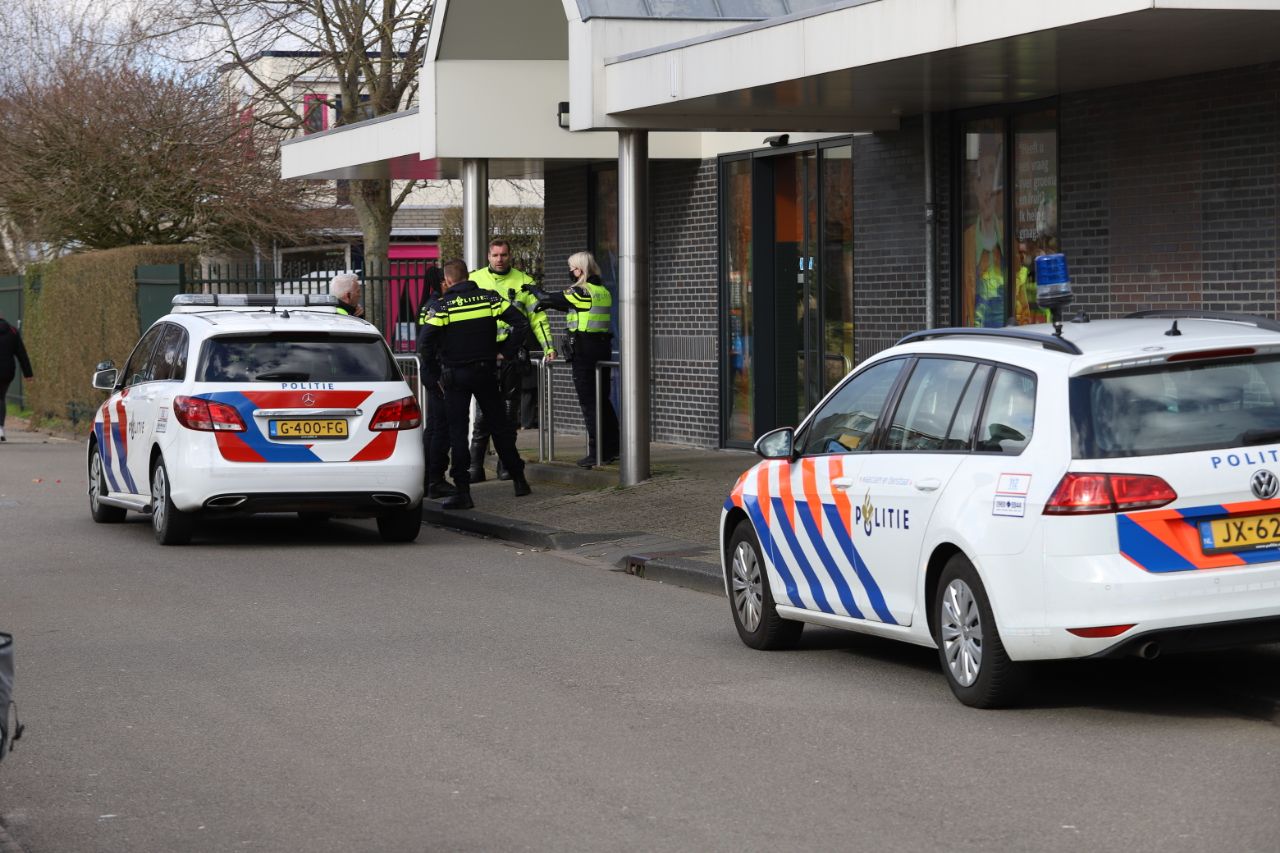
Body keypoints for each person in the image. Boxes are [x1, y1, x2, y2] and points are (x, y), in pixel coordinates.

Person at [419, 258, 532, 510]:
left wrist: (434, 371)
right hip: (487, 373)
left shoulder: (442, 306)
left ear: (447, 280)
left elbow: (425, 343)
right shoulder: (489, 299)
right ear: (468, 276)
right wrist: (505, 350)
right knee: (500, 427)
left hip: (456, 377)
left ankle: (463, 492)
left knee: (458, 433)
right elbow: (520, 322)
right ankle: (519, 479)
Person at [467, 239, 555, 481]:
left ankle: (506, 465)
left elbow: (538, 319)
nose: (499, 259)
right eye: (495, 255)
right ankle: (475, 466)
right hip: (483, 352)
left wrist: (549, 347)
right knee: (484, 411)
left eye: (504, 255)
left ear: (510, 255)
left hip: (512, 351)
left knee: (509, 411)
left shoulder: (524, 281)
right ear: (488, 256)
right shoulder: (475, 279)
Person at [532, 251, 620, 468]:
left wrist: (535, 291)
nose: (571, 271)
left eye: (572, 268)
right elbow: (571, 305)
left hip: (584, 351)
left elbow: (551, 297)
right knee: (603, 400)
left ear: (580, 269)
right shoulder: (602, 291)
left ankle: (596, 452)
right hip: (602, 348)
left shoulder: (580, 290)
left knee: (589, 402)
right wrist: (551, 303)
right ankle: (612, 448)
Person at [0, 312, 34, 443]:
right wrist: (28, 373)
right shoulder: (12, 331)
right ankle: (0, 428)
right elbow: (21, 354)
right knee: (1, 398)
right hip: (7, 371)